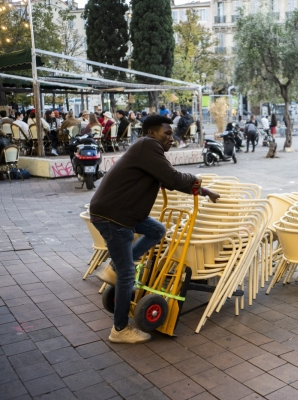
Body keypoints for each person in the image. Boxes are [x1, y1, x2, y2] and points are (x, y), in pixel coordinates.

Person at [89, 115, 220, 344]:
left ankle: (113, 269)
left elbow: (169, 179)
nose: (171, 138)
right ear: (152, 133)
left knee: (156, 230)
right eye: (166, 133)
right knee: (128, 272)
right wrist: (197, 181)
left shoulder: (146, 150)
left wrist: (203, 190)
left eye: (171, 134)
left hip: (122, 213)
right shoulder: (148, 145)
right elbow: (172, 178)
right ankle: (119, 330)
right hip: (115, 216)